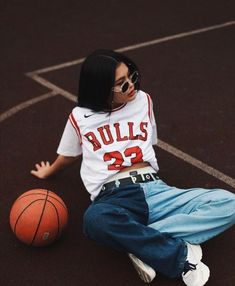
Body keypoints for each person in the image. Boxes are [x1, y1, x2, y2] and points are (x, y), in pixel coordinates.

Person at [31, 49, 235, 286]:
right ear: (101, 88)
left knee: (228, 203)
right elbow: (68, 154)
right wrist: (51, 171)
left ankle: (140, 241)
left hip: (156, 189)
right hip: (113, 197)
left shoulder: (143, 101)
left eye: (132, 77)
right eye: (121, 84)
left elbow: (149, 141)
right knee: (94, 220)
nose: (131, 86)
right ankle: (179, 256)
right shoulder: (79, 116)